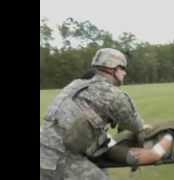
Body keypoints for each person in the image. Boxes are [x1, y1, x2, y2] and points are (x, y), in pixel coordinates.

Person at [40, 48, 145, 180]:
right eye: (123, 68)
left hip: (44, 152)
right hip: (60, 159)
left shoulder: (75, 84)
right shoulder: (113, 94)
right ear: (114, 69)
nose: (125, 73)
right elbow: (136, 125)